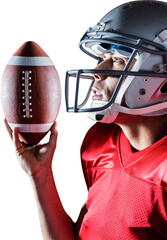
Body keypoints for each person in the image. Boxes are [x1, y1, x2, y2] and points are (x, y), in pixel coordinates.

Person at [5, 0, 167, 239]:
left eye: (118, 60)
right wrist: (40, 174)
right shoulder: (100, 141)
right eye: (102, 57)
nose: (98, 70)